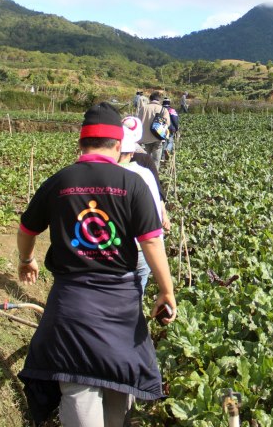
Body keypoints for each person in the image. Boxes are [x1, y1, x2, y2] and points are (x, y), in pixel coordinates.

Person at [16, 102, 176, 427]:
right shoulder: (133, 184)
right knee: (120, 381)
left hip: (71, 305)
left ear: (80, 143)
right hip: (121, 307)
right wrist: (166, 291)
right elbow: (151, 242)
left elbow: (26, 229)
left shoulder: (59, 182)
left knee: (77, 385)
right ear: (118, 145)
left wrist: (27, 259)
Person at [118, 116, 170, 291]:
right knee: (135, 295)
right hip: (141, 247)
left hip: (110, 249)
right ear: (132, 151)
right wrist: (166, 290)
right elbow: (154, 206)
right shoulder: (145, 171)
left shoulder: (99, 175)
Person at [137, 91, 169, 170]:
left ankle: (145, 174)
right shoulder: (163, 109)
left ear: (150, 99)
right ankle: (154, 174)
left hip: (145, 138)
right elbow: (167, 124)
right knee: (156, 160)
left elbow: (138, 122)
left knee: (145, 159)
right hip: (158, 137)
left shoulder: (143, 108)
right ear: (159, 100)